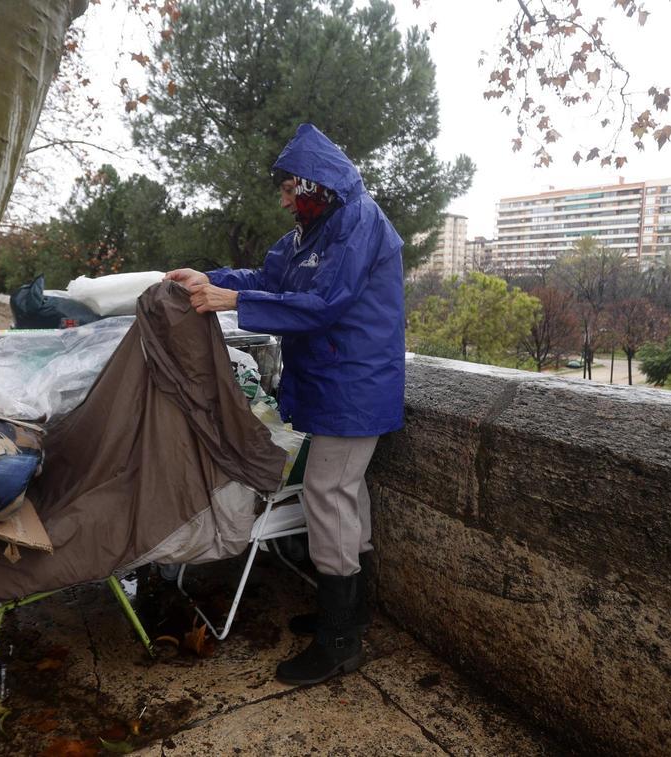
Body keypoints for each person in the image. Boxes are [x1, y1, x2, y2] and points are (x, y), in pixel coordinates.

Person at [165, 123, 405, 685]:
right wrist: (213, 280)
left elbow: (323, 302)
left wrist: (233, 300)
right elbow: (267, 277)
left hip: (355, 385)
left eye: (288, 187)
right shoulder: (311, 232)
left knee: (328, 491)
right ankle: (348, 612)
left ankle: (340, 641)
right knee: (345, 492)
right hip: (332, 381)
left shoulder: (359, 220)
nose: (283, 198)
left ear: (313, 183)